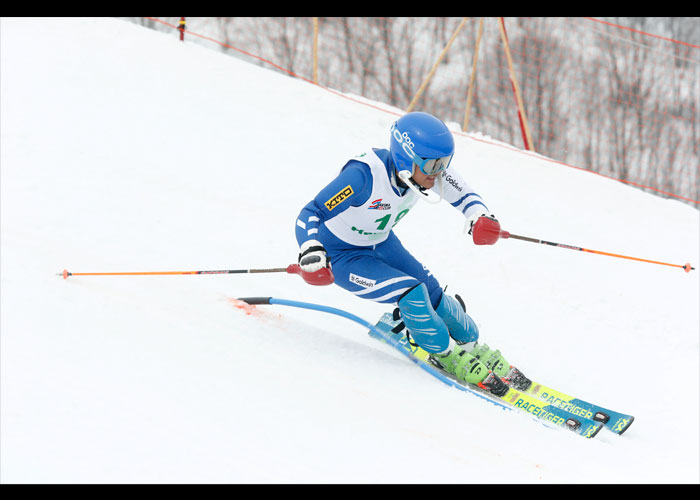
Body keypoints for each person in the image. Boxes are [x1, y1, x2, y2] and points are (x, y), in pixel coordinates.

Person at [294, 111, 512, 395]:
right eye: (433, 166)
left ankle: (471, 345)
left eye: (444, 165)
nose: (438, 173)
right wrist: (310, 248)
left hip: (381, 242)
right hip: (342, 255)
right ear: (406, 159)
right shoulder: (362, 178)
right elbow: (310, 212)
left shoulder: (426, 170)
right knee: (411, 293)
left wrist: (479, 217)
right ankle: (445, 354)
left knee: (433, 293)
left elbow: (465, 195)